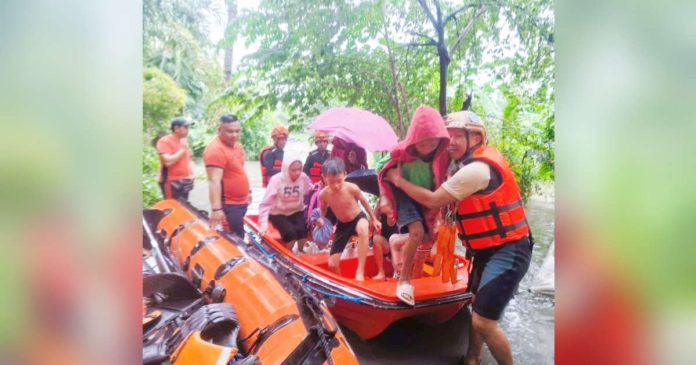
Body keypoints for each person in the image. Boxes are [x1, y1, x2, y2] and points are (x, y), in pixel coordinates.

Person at [386, 111, 533, 365]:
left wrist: (398, 181)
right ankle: (472, 359)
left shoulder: (477, 170)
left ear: (475, 138)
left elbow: (432, 199)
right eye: (448, 136)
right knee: (476, 306)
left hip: (510, 249)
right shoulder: (458, 166)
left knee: (482, 321)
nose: (450, 142)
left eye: (458, 136)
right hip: (485, 251)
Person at [377, 105, 450, 305]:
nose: (427, 147)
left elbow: (447, 180)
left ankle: (396, 241)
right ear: (414, 140)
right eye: (422, 143)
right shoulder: (400, 151)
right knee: (417, 232)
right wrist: (384, 197)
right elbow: (381, 170)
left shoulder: (443, 155)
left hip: (425, 197)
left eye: (432, 143)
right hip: (403, 194)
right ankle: (404, 281)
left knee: (427, 238)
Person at [317, 158, 381, 281]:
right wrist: (321, 219)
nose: (336, 186)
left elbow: (364, 201)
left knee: (363, 229)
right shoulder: (323, 195)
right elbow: (323, 209)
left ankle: (360, 271)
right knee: (332, 264)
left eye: (339, 181)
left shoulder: (352, 188)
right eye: (331, 182)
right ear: (324, 178)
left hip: (357, 218)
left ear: (345, 175)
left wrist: (374, 219)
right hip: (342, 225)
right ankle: (341, 283)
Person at [204, 114, 251, 238]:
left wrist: (248, 192)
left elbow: (239, 170)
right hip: (229, 204)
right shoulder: (215, 150)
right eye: (230, 131)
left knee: (239, 232)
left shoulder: (237, 146)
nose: (234, 135)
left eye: (237, 131)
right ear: (219, 130)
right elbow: (214, 181)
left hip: (241, 202)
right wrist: (216, 210)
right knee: (235, 237)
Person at [258, 153, 314, 253]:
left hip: (297, 211)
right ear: (286, 169)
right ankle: (288, 254)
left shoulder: (303, 177)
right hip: (278, 213)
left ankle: (302, 253)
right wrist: (263, 225)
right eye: (293, 170)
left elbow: (311, 190)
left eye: (300, 169)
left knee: (302, 231)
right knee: (290, 233)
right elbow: (265, 204)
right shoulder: (276, 180)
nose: (297, 173)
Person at [156, 117, 195, 201]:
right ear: (176, 128)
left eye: (188, 127)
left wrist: (192, 175)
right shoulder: (164, 141)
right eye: (185, 127)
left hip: (185, 181)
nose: (188, 130)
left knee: (183, 208)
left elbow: (188, 160)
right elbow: (167, 162)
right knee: (172, 207)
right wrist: (183, 149)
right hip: (171, 182)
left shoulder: (183, 142)